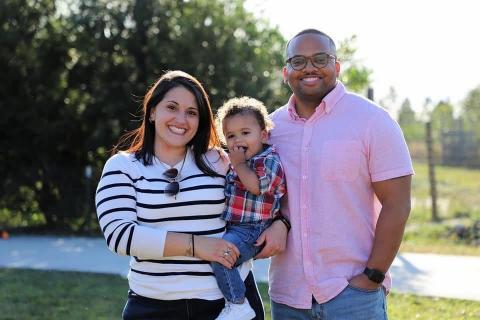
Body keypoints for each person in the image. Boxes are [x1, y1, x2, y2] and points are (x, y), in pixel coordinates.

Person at [266, 29, 414, 319]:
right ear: (286, 72)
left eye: (320, 58)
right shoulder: (269, 129)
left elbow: (397, 204)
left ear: (336, 66)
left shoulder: (373, 121)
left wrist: (372, 276)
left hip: (353, 297)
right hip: (288, 296)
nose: (309, 67)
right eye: (298, 61)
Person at [95, 70, 267, 320]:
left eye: (192, 112)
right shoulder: (123, 166)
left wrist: (281, 225)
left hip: (230, 305)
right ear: (153, 112)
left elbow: (264, 195)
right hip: (155, 307)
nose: (181, 119)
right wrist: (197, 246)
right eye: (172, 107)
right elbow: (121, 236)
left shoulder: (220, 160)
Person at [212, 97, 287, 320]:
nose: (238, 140)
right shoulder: (237, 160)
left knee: (221, 257)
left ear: (263, 135)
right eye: (231, 135)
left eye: (245, 133)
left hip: (255, 228)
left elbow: (256, 187)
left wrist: (239, 164)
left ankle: (238, 304)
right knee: (220, 255)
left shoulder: (269, 160)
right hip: (237, 226)